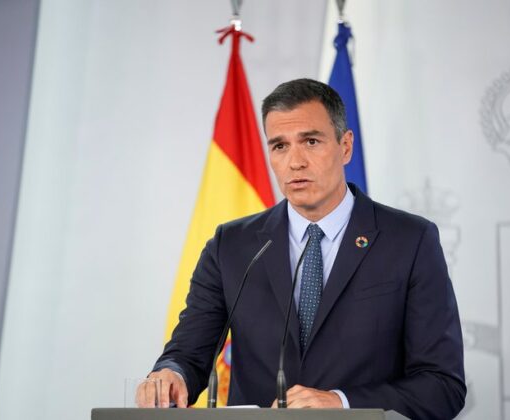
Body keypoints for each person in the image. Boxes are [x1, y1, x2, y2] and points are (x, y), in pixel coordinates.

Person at [140, 78, 466, 418]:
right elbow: (188, 354)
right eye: (280, 146)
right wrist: (171, 374)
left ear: (345, 146)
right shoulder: (232, 246)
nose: (295, 162)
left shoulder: (410, 241)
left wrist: (341, 402)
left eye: (311, 141)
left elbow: (442, 385)